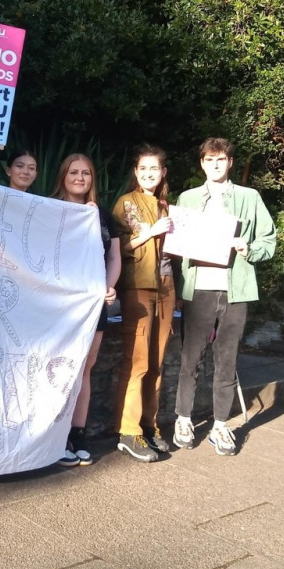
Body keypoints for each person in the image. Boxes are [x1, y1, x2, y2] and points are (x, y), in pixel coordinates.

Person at [171, 137, 276, 456]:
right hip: (198, 288)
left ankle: (220, 425)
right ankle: (183, 419)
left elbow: (268, 240)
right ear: (201, 163)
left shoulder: (249, 197)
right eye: (208, 160)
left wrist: (250, 249)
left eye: (220, 160)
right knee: (191, 358)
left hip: (235, 289)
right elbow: (176, 248)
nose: (214, 165)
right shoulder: (188, 199)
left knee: (227, 360)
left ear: (230, 162)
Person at [50, 154, 121, 467]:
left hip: (93, 304)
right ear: (63, 175)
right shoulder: (48, 208)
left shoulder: (104, 217)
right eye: (73, 172)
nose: (80, 178)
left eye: (86, 173)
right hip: (60, 305)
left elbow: (114, 258)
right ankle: (55, 435)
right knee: (57, 368)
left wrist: (109, 285)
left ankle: (78, 434)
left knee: (84, 369)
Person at [111, 145, 174, 462]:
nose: (149, 173)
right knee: (137, 362)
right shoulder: (126, 203)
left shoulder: (166, 206)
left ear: (163, 172)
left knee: (157, 362)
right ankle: (127, 430)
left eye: (155, 168)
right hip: (137, 285)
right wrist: (151, 233)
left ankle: (149, 425)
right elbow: (118, 247)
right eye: (142, 168)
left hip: (166, 286)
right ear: (136, 172)